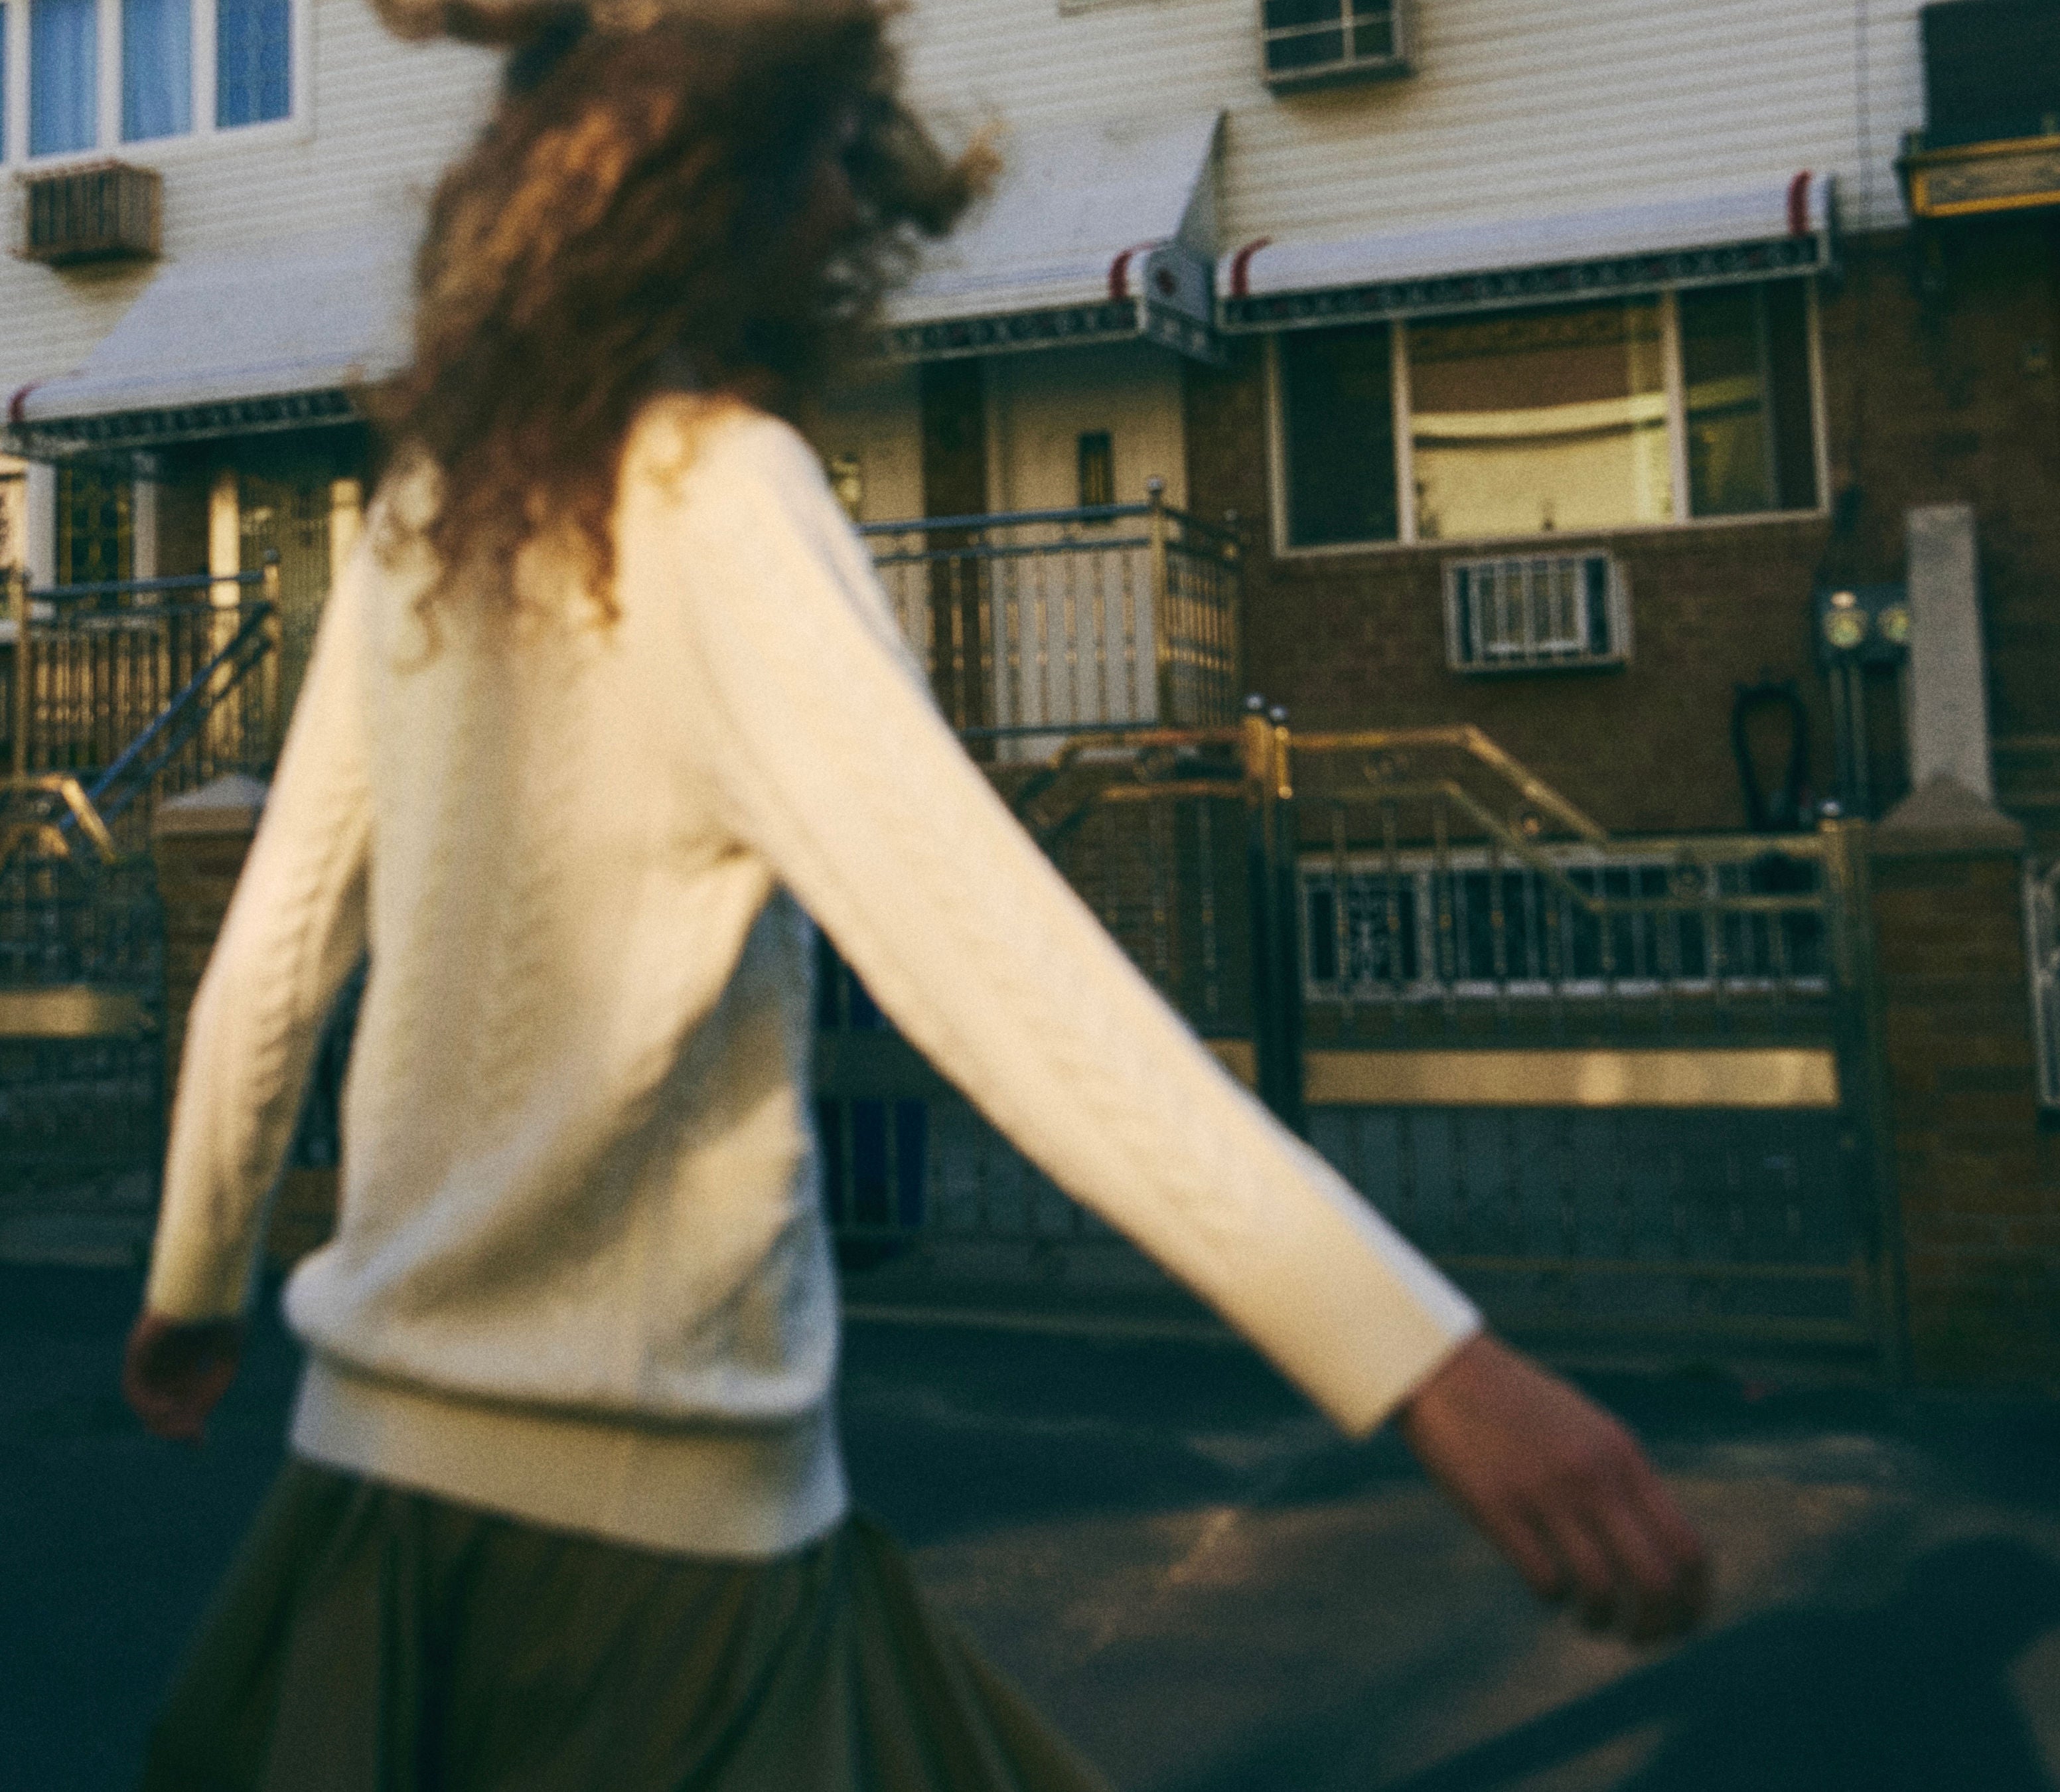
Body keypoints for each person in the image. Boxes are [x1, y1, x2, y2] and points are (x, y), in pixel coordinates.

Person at [119, 1, 1710, 1785]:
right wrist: (1430, 1360)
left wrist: (194, 1280)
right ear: (708, 176)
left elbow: (267, 959)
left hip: (361, 1537)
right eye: (824, 141)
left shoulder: (427, 506)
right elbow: (1007, 984)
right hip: (661, 1583)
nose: (848, 195)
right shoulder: (715, 496)